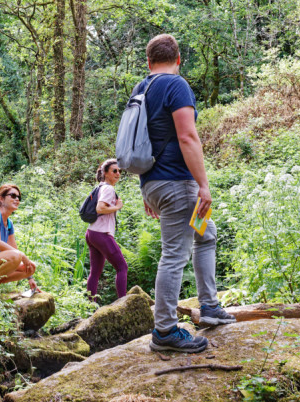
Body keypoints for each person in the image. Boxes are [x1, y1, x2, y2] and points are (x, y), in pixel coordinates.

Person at [133, 34, 235, 354]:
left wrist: (147, 191)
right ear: (178, 59)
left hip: (155, 183)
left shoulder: (141, 89)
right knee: (175, 253)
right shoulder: (176, 85)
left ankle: (209, 306)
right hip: (178, 184)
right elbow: (188, 136)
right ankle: (164, 330)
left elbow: (136, 143)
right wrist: (204, 185)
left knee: (206, 233)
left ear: (149, 62)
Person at [85, 158, 128, 302]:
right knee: (122, 267)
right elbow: (100, 208)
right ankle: (124, 303)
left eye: (119, 171)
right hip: (101, 234)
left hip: (92, 233)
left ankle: (90, 307)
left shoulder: (100, 187)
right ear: (105, 173)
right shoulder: (108, 188)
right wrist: (117, 207)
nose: (118, 174)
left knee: (95, 272)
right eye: (114, 171)